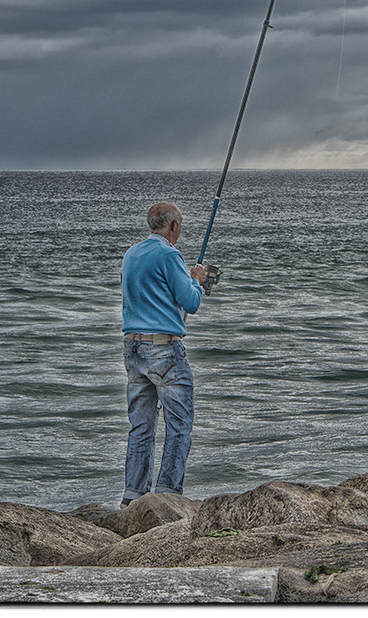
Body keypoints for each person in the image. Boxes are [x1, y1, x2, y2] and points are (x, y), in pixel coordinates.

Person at [120, 201, 206, 507]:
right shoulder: (170, 254)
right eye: (179, 225)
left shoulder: (132, 254)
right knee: (179, 424)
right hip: (164, 349)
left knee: (141, 426)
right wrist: (196, 278)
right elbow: (191, 302)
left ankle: (133, 495)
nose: (179, 230)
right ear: (172, 226)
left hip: (133, 347)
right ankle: (168, 494)